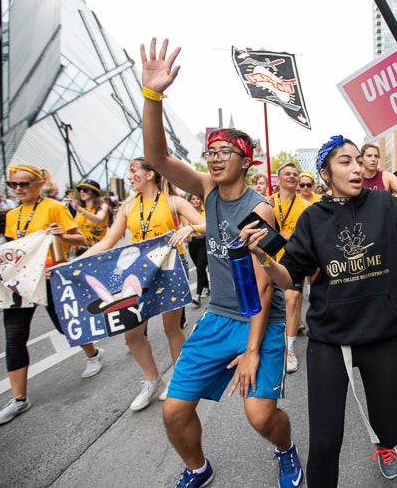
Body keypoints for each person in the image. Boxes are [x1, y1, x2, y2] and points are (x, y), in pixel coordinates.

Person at [240, 134, 397, 486]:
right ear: (326, 174)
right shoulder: (312, 218)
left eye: (359, 160)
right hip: (330, 342)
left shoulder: (386, 206)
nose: (357, 167)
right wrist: (264, 256)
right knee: (326, 441)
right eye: (345, 162)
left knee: (389, 427)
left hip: (384, 337)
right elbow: (288, 278)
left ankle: (386, 446)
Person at [140, 37, 302, 488]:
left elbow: (263, 287)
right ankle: (198, 468)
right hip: (215, 319)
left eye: (222, 152)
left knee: (260, 415)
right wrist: (152, 95)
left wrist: (251, 352)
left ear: (245, 161)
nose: (212, 158)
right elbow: (156, 156)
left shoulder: (261, 207)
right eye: (209, 152)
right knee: (174, 410)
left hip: (257, 320)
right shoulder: (207, 193)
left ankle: (286, 449)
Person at [0, 165, 103, 427]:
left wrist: (63, 235)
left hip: (49, 277)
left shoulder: (53, 207)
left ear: (38, 184)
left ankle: (93, 354)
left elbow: (79, 237)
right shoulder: (13, 214)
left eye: (24, 184)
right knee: (14, 336)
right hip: (20, 281)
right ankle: (18, 398)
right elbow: (15, 248)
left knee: (63, 326)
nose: (18, 189)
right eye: (14, 184)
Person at [82, 157, 203, 411]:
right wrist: (73, 264)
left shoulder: (174, 201)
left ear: (151, 174)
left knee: (172, 329)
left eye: (133, 170)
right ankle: (152, 380)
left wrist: (191, 228)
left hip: (170, 268)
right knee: (132, 333)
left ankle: (178, 381)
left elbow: (206, 224)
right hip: (137, 274)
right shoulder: (127, 207)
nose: (129, 176)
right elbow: (106, 243)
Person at [272, 163, 308, 373]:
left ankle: (290, 348)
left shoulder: (305, 206)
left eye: (295, 174)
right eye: (288, 174)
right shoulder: (267, 202)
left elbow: (305, 234)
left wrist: (288, 237)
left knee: (292, 300)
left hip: (294, 260)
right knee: (269, 302)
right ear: (279, 178)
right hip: (269, 261)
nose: (293, 177)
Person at [66, 179, 111, 257]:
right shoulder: (80, 208)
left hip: (96, 247)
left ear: (94, 192)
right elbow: (75, 225)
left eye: (85, 190)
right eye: (80, 190)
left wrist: (78, 209)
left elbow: (98, 220)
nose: (82, 192)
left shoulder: (102, 206)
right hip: (78, 247)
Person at [187, 194, 210, 305]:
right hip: (192, 243)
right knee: (199, 267)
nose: (195, 201)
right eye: (193, 199)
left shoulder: (205, 211)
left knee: (200, 268)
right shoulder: (186, 213)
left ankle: (197, 294)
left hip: (204, 242)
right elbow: (185, 225)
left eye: (197, 199)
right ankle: (206, 286)